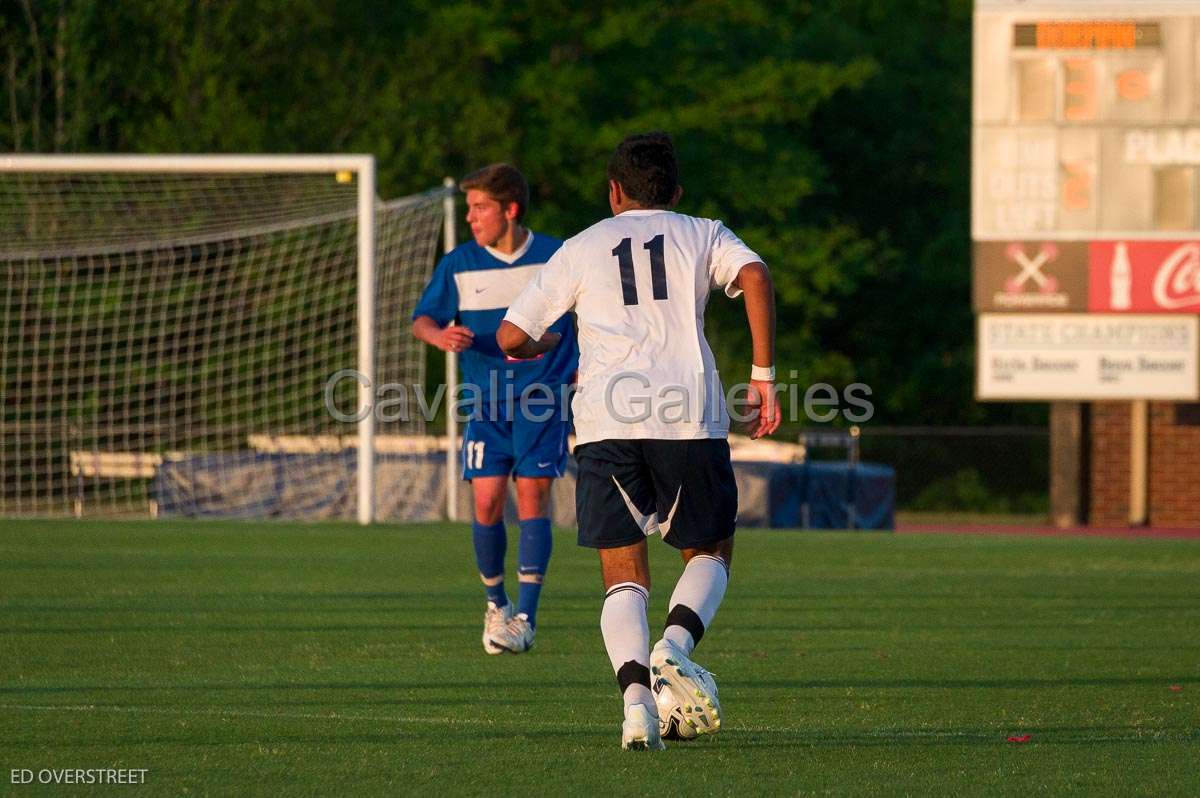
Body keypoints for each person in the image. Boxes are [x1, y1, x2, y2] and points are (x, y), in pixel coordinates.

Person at [497, 133, 780, 750]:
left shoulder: (582, 245)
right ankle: (674, 648)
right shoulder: (702, 231)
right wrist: (762, 377)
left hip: (604, 423)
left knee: (623, 577)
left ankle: (636, 708)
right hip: (688, 418)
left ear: (614, 191)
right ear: (675, 192)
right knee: (710, 553)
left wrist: (549, 343)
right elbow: (755, 274)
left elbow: (511, 336)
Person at [412, 164, 577, 655]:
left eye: (479, 207)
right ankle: (496, 603)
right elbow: (423, 318)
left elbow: (589, 315)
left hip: (543, 399)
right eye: (469, 208)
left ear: (510, 209)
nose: (470, 218)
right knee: (485, 500)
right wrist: (439, 334)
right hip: (486, 404)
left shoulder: (557, 256)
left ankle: (526, 616)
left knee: (532, 498)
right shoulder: (459, 263)